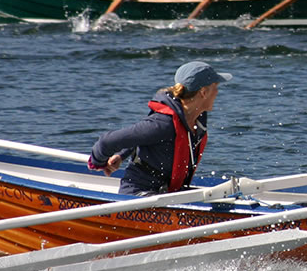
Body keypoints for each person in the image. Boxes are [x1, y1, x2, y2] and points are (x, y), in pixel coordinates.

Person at [88, 61, 229, 196]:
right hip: (138, 194)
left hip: (168, 192)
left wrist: (121, 154)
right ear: (203, 92)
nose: (217, 92)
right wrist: (98, 162)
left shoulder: (196, 118)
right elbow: (106, 142)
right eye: (215, 87)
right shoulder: (162, 124)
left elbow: (142, 139)